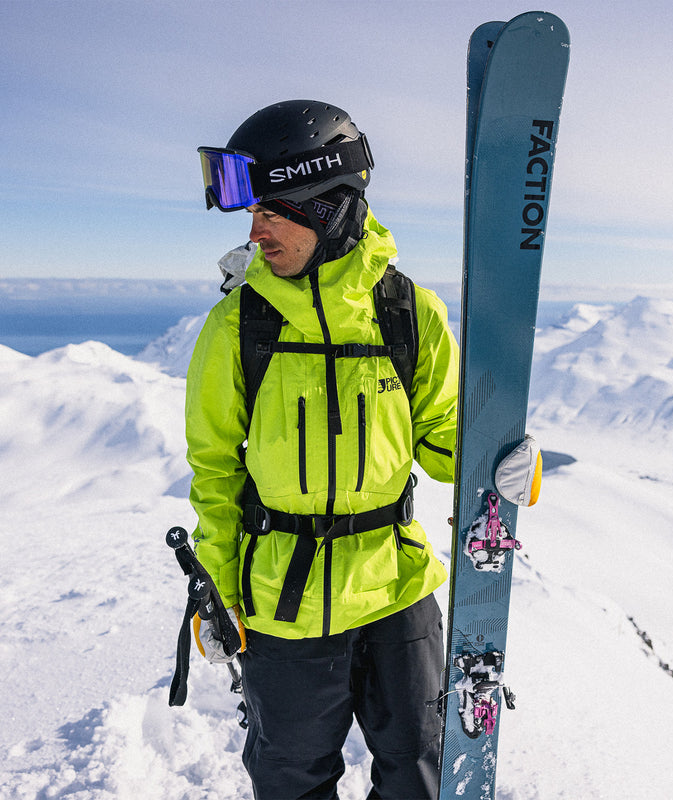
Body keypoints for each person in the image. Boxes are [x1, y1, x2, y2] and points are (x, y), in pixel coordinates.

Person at [186, 100, 459, 800]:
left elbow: (445, 442)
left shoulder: (408, 313)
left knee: (419, 773)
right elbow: (215, 470)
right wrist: (216, 589)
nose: (256, 231)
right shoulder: (237, 325)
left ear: (329, 205)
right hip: (284, 603)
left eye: (273, 211)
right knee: (291, 780)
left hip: (396, 590)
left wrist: (507, 454)